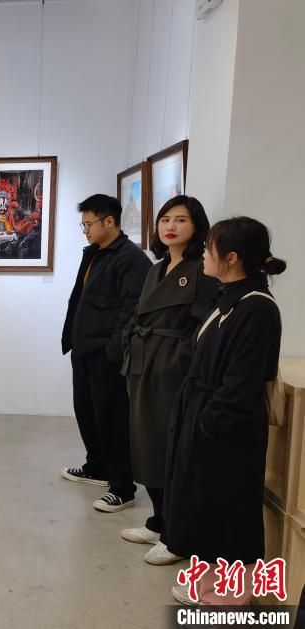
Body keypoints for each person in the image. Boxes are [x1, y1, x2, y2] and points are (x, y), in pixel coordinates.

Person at [162, 217, 286, 605]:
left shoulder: (258, 308)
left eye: (209, 247)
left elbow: (242, 382)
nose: (203, 254)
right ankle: (213, 584)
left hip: (228, 426)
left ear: (231, 258)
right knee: (207, 504)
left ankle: (233, 595)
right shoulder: (228, 298)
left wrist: (207, 423)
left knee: (230, 507)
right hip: (205, 412)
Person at [119, 196, 218, 564]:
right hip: (143, 363)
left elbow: (205, 324)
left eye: (181, 220)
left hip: (173, 369)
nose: (170, 226)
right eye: (165, 219)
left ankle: (176, 534)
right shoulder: (156, 268)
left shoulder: (200, 269)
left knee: (169, 450)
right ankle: (158, 520)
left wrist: (180, 360)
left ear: (197, 226)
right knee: (144, 444)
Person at [60, 194, 151, 512]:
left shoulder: (132, 260)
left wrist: (114, 351)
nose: (84, 230)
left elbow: (131, 311)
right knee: (87, 412)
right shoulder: (95, 253)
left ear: (109, 221)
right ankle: (98, 467)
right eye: (83, 224)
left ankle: (123, 487)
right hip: (84, 348)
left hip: (106, 354)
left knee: (113, 419)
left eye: (88, 224)